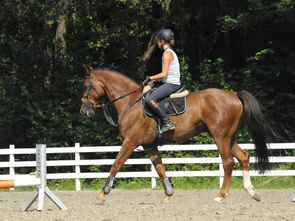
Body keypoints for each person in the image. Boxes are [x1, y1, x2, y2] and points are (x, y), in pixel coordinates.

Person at [144, 29, 182, 133]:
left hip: (171, 84)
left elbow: (164, 74)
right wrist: (154, 81)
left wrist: (150, 78)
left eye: (158, 41)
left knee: (150, 100)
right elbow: (166, 74)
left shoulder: (166, 54)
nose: (157, 44)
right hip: (170, 82)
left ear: (162, 41)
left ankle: (167, 122)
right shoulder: (170, 52)